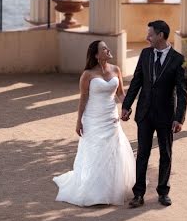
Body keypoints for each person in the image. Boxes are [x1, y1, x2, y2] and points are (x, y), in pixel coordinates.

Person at [54, 40, 136, 206]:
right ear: (96, 55)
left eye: (107, 48)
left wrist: (126, 107)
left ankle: (112, 187)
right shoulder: (88, 75)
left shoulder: (116, 69)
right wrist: (79, 121)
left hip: (111, 118)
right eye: (104, 49)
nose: (108, 50)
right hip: (93, 119)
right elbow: (83, 99)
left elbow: (120, 93)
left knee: (113, 151)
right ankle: (94, 190)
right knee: (96, 152)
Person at [121, 20, 187, 208]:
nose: (146, 38)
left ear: (160, 35)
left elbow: (183, 92)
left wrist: (179, 117)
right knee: (142, 153)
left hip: (166, 116)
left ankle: (163, 192)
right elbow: (137, 81)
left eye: (150, 34)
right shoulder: (145, 54)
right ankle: (139, 194)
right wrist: (127, 105)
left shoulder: (178, 59)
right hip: (144, 113)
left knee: (165, 154)